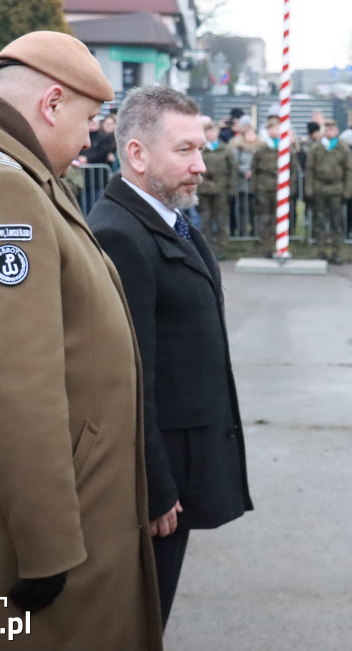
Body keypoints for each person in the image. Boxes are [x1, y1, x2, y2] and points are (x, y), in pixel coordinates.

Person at [0, 31, 162, 650]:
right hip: (5, 519)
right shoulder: (1, 189)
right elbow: (14, 381)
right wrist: (48, 545)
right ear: (50, 103)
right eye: (87, 118)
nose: (89, 138)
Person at [87, 86, 252, 625]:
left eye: (201, 149)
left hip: (179, 469)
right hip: (156, 485)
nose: (201, 165)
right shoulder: (120, 234)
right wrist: (153, 489)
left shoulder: (163, 219)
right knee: (134, 622)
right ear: (136, 154)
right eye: (184, 151)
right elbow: (127, 379)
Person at [305, 118, 352, 263]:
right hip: (319, 189)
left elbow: (349, 170)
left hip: (337, 189)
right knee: (319, 222)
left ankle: (336, 252)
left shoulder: (343, 148)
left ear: (337, 131)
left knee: (337, 223)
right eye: (326, 129)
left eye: (332, 129)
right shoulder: (316, 148)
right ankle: (320, 251)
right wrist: (309, 189)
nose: (329, 132)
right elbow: (309, 170)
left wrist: (347, 191)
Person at [250, 117, 300, 256]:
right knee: (265, 218)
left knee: (280, 218)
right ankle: (265, 247)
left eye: (276, 128)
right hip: (264, 188)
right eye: (271, 129)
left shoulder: (286, 148)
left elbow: (293, 170)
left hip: (281, 189)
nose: (273, 131)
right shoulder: (261, 149)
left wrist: (291, 188)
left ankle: (280, 247)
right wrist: (254, 188)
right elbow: (255, 170)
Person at [197, 119, 236, 259]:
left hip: (221, 191)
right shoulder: (199, 150)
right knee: (205, 221)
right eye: (207, 132)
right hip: (204, 191)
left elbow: (233, 170)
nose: (210, 135)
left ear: (217, 132)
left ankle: (220, 250)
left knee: (221, 221)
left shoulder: (225, 150)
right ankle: (208, 250)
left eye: (213, 131)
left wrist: (232, 190)